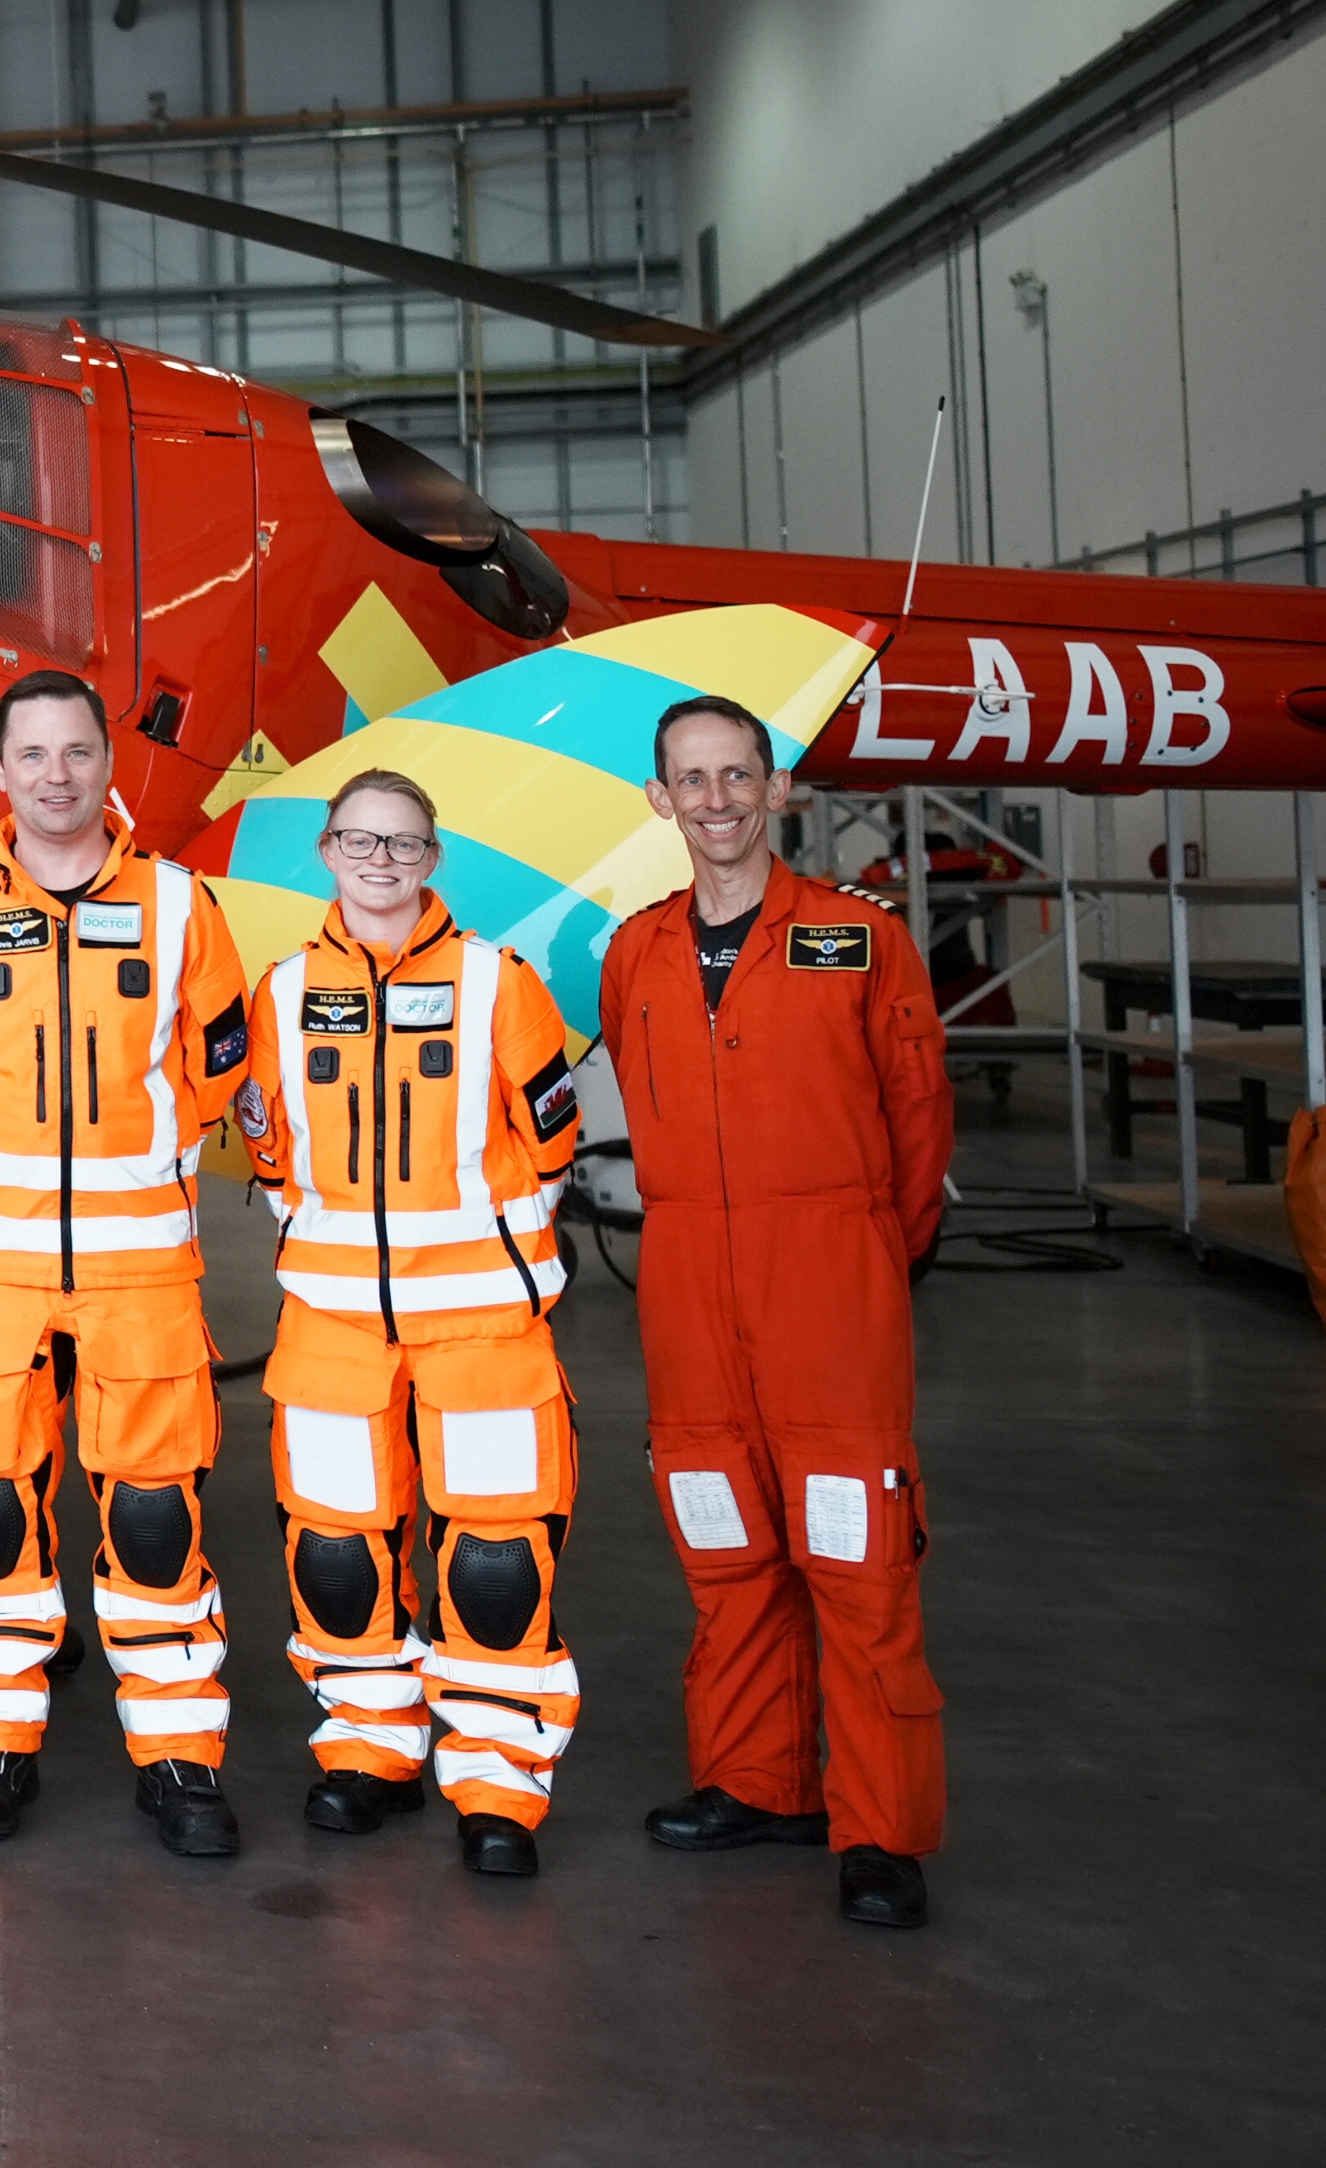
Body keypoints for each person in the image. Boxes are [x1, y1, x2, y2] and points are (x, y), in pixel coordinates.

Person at [597, 695, 952, 1929]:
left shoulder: (857, 938)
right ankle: (756, 1781)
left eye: (737, 774)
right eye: (690, 778)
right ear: (658, 799)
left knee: (854, 1554)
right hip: (689, 1275)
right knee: (724, 1536)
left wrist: (862, 1255)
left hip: (828, 1276)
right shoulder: (634, 949)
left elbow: (915, 1118)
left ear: (777, 789)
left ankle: (876, 1829)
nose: (715, 798)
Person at [0, 669, 252, 1855]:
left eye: (76, 751)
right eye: (31, 753)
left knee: (154, 1521)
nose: (55, 774)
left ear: (108, 763)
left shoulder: (182, 905)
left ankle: (180, 1761)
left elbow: (216, 1072)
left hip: (140, 1271)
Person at [236, 769, 584, 1879]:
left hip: (483, 1322)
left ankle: (494, 1782)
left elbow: (548, 1140)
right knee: (335, 1552)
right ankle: (368, 1750)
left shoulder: (498, 982)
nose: (378, 859)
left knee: (493, 1561)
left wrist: (485, 1249)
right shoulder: (280, 991)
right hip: (331, 1322)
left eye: (401, 842)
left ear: (433, 858)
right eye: (356, 840)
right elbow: (267, 1144)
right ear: (325, 853)